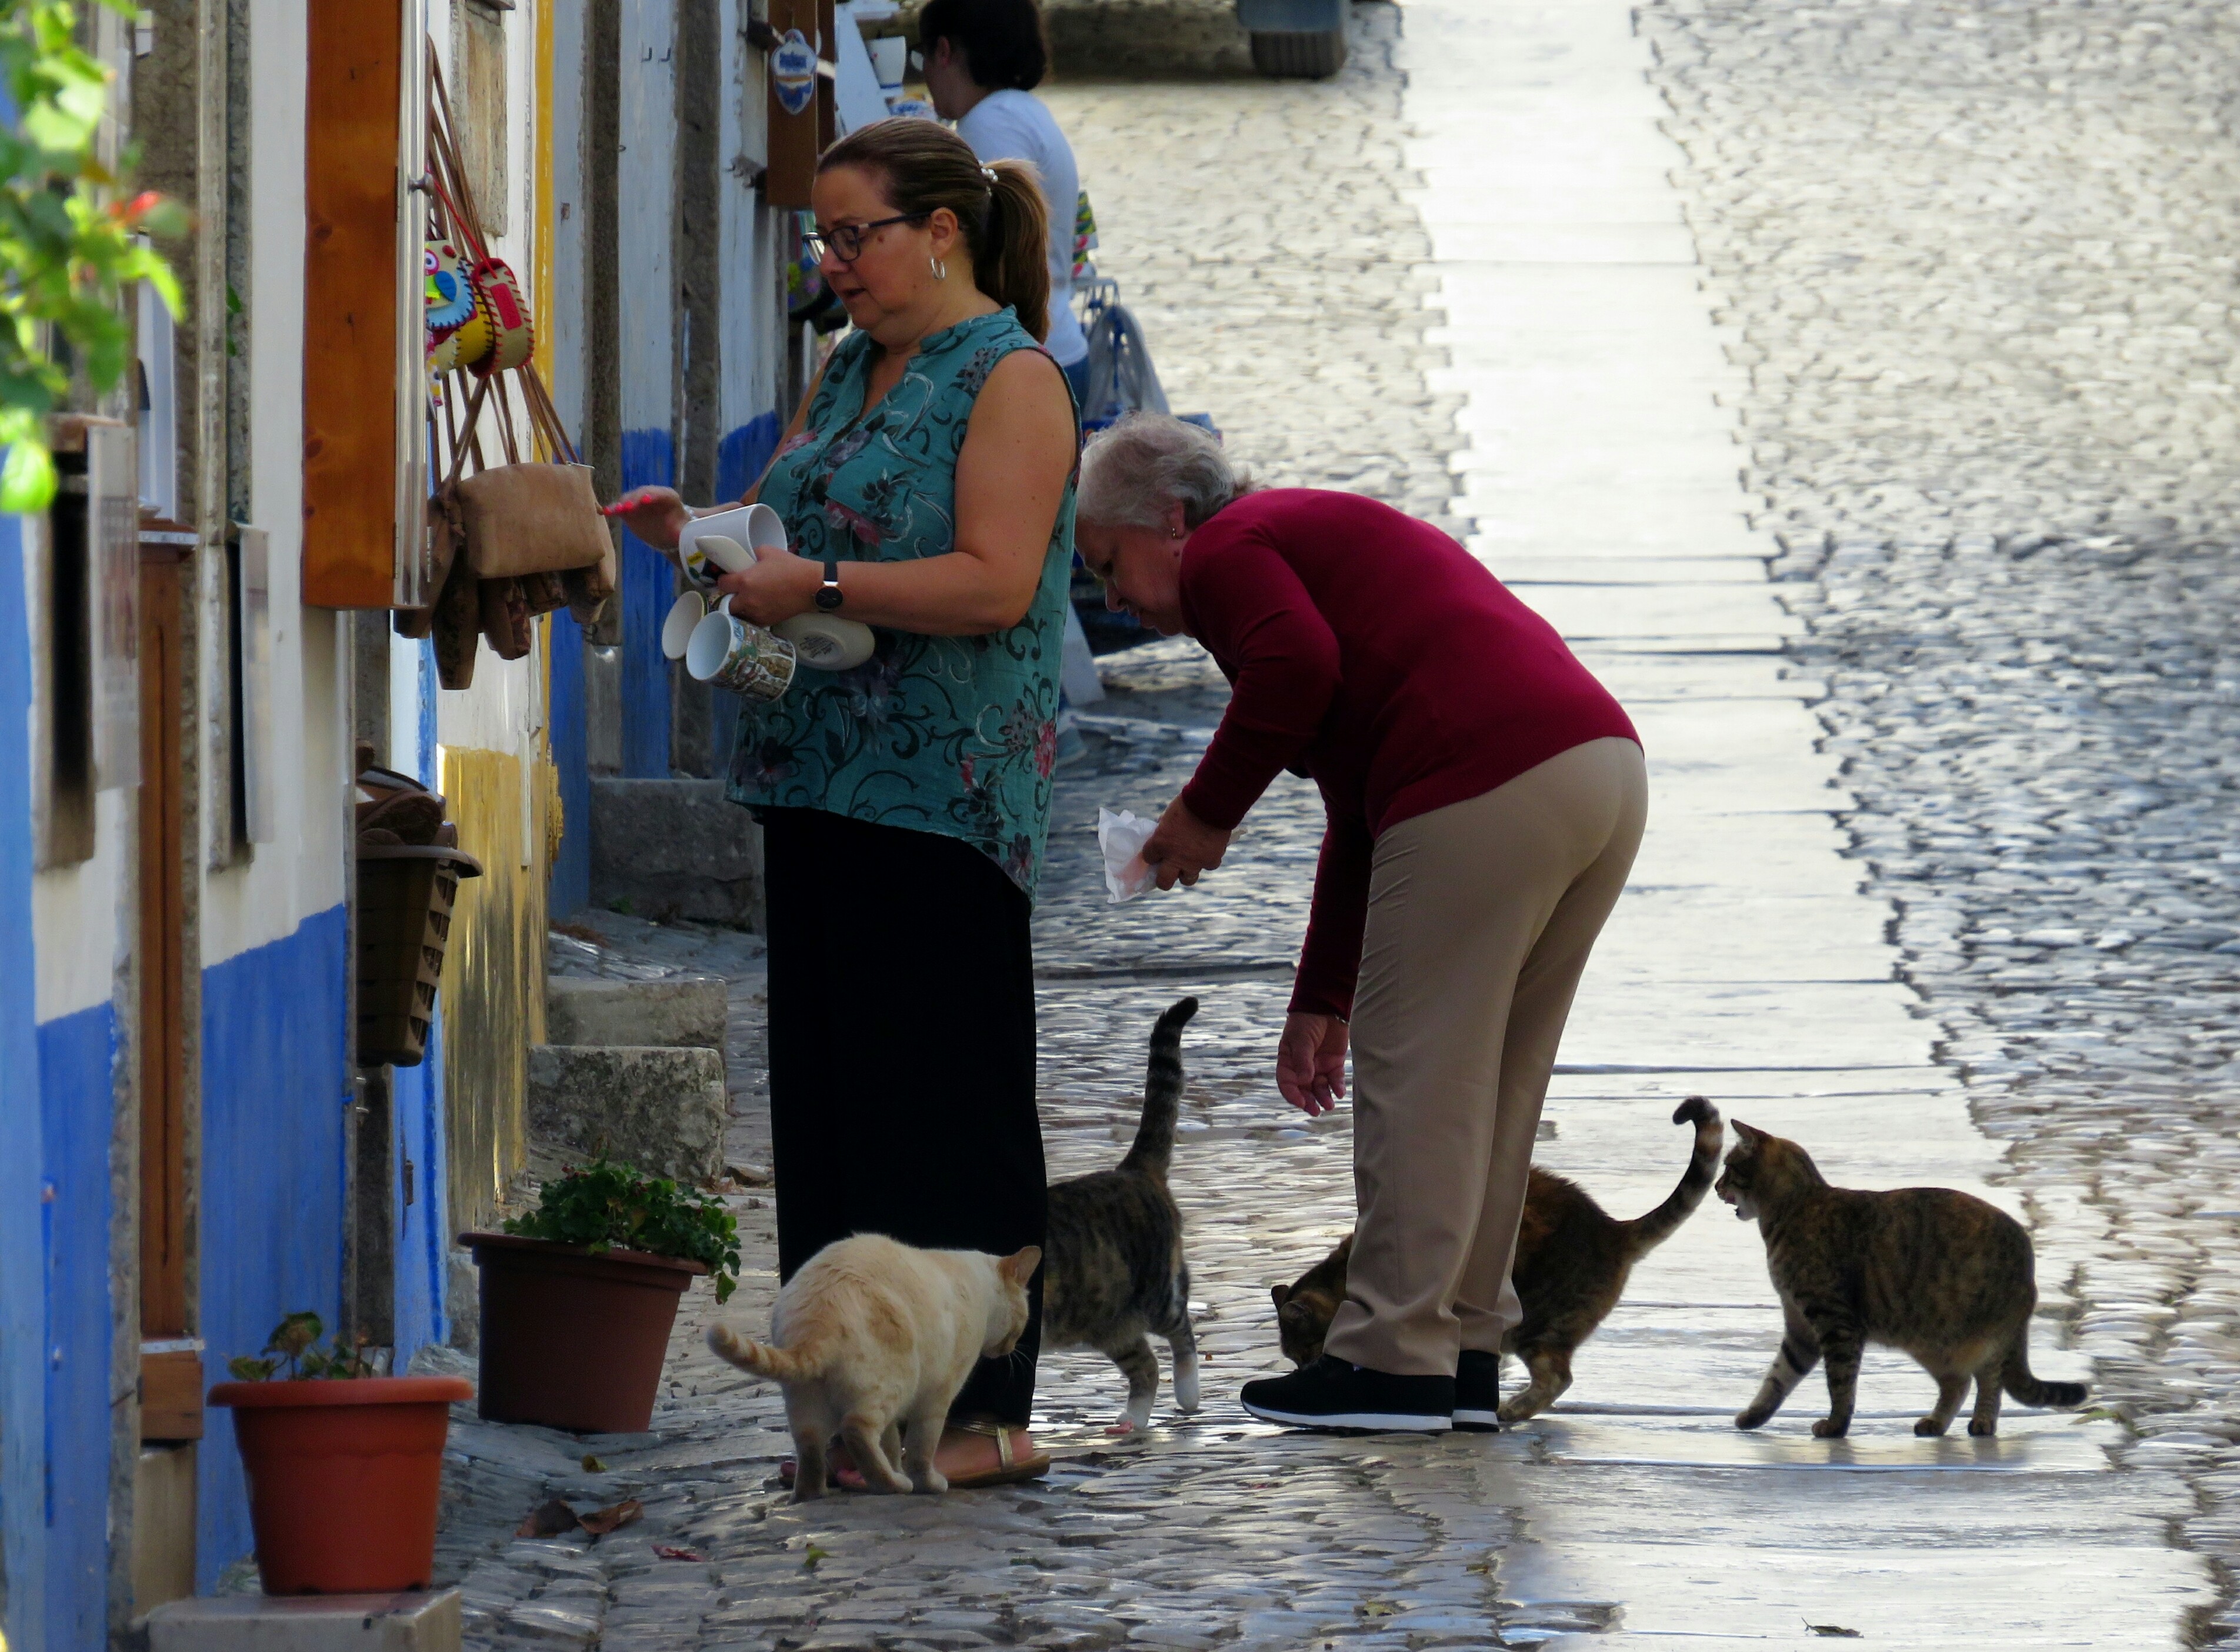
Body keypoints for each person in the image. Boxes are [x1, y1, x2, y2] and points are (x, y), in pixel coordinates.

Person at [606, 118, 1078, 1486]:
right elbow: (786, 546)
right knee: (833, 1117)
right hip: (810, 784)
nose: (832, 264)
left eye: (853, 236)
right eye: (821, 239)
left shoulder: (1013, 379)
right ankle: (845, 1415)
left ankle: (988, 1420)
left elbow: (992, 580)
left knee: (945, 1112)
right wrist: (699, 544)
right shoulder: (849, 365)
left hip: (939, 804)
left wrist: (809, 587)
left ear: (940, 232)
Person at [1073, 415, 1646, 1434]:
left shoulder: (1224, 550)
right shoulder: (1289, 540)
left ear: (1169, 518)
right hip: (1593, 767)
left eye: (1108, 563)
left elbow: (1296, 670)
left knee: (1419, 1082)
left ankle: (1393, 1360)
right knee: (1495, 1088)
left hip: (1481, 772)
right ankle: (1467, 1347)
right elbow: (1354, 797)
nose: (1109, 596)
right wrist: (1322, 996)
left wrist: (1204, 812)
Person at [916, 0, 1092, 405]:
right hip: (1053, 346)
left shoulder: (989, 124)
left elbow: (985, 248)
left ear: (943, 51)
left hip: (1024, 360)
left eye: (920, 56)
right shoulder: (1022, 111)